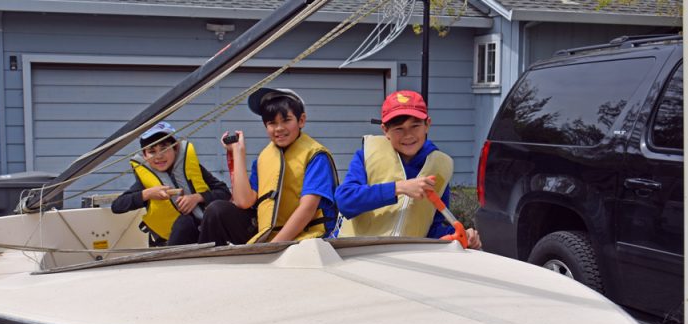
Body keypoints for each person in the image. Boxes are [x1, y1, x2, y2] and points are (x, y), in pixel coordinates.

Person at [335, 90, 481, 249]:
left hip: (406, 260)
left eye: (415, 126)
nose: (408, 135)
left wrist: (461, 235)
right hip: (359, 254)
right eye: (399, 128)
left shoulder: (440, 167)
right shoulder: (367, 156)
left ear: (427, 124)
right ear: (385, 130)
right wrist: (399, 188)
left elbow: (431, 228)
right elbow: (345, 201)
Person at [198, 88, 338, 246]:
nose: (279, 128)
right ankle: (208, 265)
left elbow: (308, 208)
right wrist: (238, 152)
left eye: (286, 120)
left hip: (306, 236)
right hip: (267, 235)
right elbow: (243, 201)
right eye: (272, 123)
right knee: (217, 210)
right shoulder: (263, 159)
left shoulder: (315, 155)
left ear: (301, 120)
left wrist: (272, 246)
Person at [111, 122, 231, 246]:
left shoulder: (193, 168)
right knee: (184, 222)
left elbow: (224, 193)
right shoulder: (145, 182)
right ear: (145, 156)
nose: (159, 156)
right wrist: (147, 194)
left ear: (176, 148)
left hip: (205, 235)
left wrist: (197, 197)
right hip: (171, 241)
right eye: (152, 151)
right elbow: (117, 206)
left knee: (214, 210)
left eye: (164, 149)